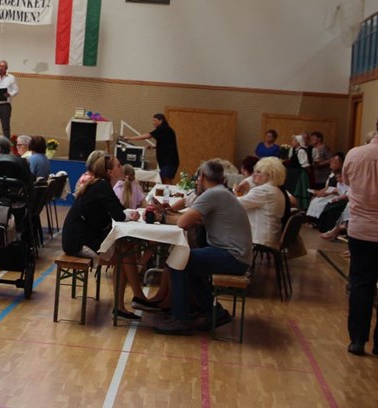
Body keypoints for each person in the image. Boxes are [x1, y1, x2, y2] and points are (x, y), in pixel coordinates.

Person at [154, 160, 252, 335]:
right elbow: (194, 220)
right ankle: (213, 312)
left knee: (179, 260)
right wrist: (168, 216)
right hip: (238, 255)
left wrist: (161, 217)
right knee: (188, 263)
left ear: (203, 177)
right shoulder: (222, 192)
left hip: (232, 256)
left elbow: (183, 223)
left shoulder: (213, 194)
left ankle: (180, 318)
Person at [60, 153, 152, 318]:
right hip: (77, 242)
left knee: (125, 248)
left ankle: (128, 302)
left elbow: (118, 210)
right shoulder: (102, 186)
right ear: (110, 172)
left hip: (84, 237)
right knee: (124, 255)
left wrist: (129, 214)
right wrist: (130, 214)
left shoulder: (101, 185)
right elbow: (119, 215)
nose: (122, 167)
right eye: (118, 166)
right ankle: (135, 299)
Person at [340, 130, 378, 356]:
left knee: (360, 284)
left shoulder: (355, 154)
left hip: (361, 229)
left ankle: (357, 340)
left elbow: (347, 182)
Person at [237, 157, 286, 250]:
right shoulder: (276, 190)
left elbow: (237, 204)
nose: (254, 175)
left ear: (269, 175)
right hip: (271, 236)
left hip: (260, 238)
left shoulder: (263, 190)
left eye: (258, 172)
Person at [126, 113, 179, 184]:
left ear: (161, 120)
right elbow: (167, 143)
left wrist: (130, 138)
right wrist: (154, 147)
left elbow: (147, 136)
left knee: (167, 181)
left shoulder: (163, 128)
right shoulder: (166, 129)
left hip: (169, 162)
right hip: (167, 162)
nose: (153, 123)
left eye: (155, 120)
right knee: (164, 180)